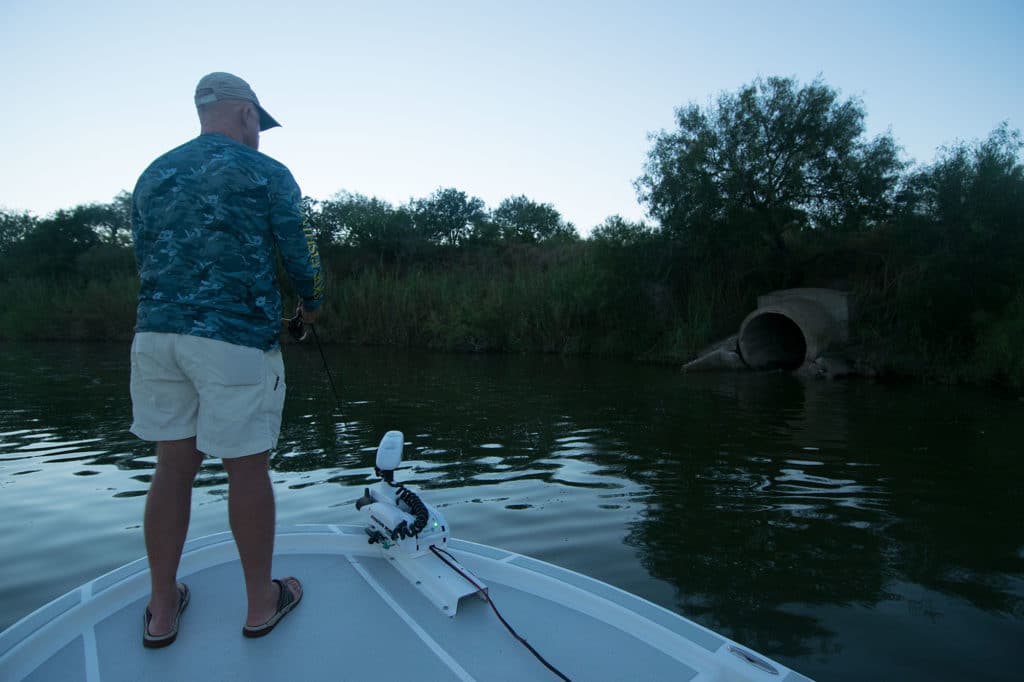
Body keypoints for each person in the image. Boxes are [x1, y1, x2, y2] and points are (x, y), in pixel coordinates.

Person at [129, 72, 323, 648]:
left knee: (172, 468)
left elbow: (144, 252)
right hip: (235, 341)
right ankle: (261, 602)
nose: (259, 133)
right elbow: (300, 250)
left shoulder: (152, 174)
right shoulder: (267, 173)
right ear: (245, 114)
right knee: (246, 468)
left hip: (156, 338)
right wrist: (310, 305)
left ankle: (162, 609)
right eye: (258, 123)